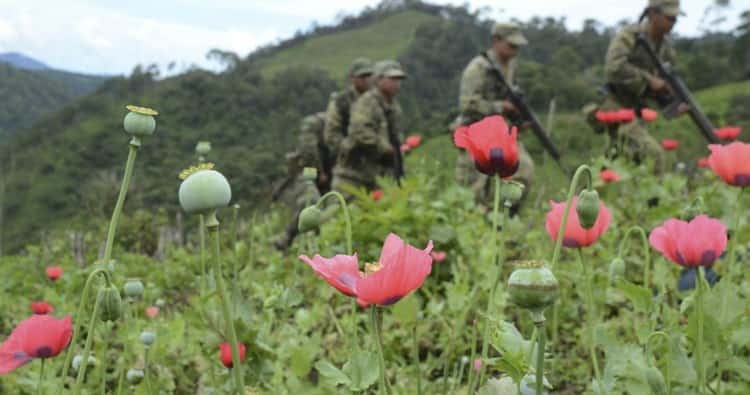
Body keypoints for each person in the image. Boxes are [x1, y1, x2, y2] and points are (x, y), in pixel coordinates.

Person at [598, 0, 687, 174]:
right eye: (669, 18)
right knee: (654, 156)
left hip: (639, 113)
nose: (673, 23)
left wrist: (673, 104)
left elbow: (663, 85)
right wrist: (647, 80)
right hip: (617, 108)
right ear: (653, 14)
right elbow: (613, 68)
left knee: (614, 165)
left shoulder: (666, 46)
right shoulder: (629, 36)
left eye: (675, 19)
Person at [454, 22, 534, 207]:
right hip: (476, 132)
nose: (515, 51)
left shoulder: (511, 67)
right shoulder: (477, 68)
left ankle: (500, 217)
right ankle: (479, 222)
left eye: (518, 47)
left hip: (502, 133)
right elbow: (467, 104)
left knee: (524, 171)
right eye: (511, 46)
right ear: (496, 41)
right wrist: (500, 107)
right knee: (473, 188)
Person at [331, 60, 406, 194]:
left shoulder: (393, 106)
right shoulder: (367, 103)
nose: (397, 83)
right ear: (378, 80)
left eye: (399, 79)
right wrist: (385, 147)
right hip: (353, 176)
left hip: (378, 176)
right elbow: (359, 132)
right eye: (392, 79)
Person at [273, 113, 327, 250]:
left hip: (323, 173)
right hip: (309, 172)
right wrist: (320, 171)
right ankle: (288, 237)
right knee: (310, 201)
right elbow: (308, 150)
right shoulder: (318, 122)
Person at [323, 57, 374, 185]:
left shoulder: (377, 100)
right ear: (352, 78)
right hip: (350, 167)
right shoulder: (341, 101)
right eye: (362, 76)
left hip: (376, 164)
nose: (366, 80)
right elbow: (331, 134)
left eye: (369, 75)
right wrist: (349, 148)